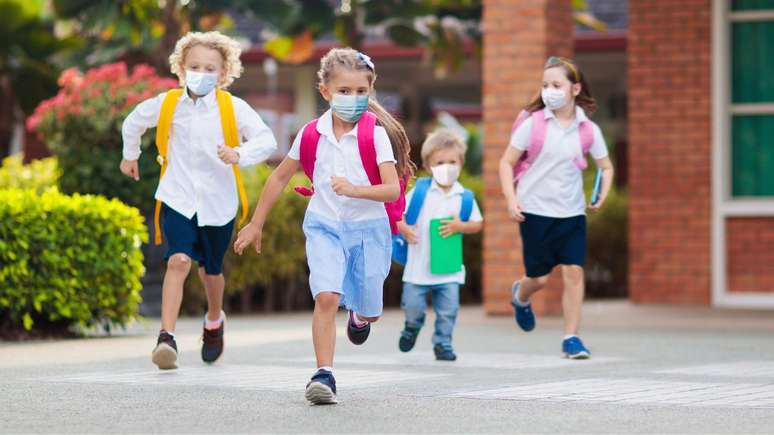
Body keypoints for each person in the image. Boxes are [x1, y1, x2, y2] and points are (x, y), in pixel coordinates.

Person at [233, 48, 413, 405]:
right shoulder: (311, 134)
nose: (353, 99)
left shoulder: (374, 135)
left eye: (361, 92)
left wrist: (355, 189)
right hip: (324, 226)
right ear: (325, 92)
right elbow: (280, 177)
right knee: (327, 296)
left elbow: (393, 188)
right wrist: (256, 223)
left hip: (369, 230)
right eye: (344, 92)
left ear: (370, 91)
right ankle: (323, 375)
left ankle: (360, 318)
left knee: (370, 308)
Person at [120, 31, 277, 370]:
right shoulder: (167, 104)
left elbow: (266, 139)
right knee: (178, 261)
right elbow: (133, 122)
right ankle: (166, 337)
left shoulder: (232, 108)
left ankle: (214, 320)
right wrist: (129, 155)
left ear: (223, 74)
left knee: (211, 272)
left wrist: (239, 153)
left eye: (210, 68)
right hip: (177, 197)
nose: (201, 73)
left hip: (218, 203)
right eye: (194, 66)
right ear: (181, 68)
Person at [498, 56, 614, 359]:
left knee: (574, 272)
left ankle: (572, 337)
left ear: (575, 89)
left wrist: (602, 193)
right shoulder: (533, 124)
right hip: (535, 211)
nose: (549, 90)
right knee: (539, 278)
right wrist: (511, 199)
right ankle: (521, 296)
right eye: (545, 85)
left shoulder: (588, 129)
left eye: (556, 84)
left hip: (572, 213)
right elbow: (506, 162)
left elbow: (606, 166)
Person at [397, 129, 483, 361]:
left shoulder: (464, 196)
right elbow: (397, 215)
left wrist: (460, 226)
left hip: (449, 268)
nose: (447, 166)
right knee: (413, 306)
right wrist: (403, 229)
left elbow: (477, 223)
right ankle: (412, 327)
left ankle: (443, 343)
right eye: (440, 162)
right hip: (418, 268)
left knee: (449, 310)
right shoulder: (419, 192)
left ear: (461, 163)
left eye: (452, 162)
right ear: (428, 165)